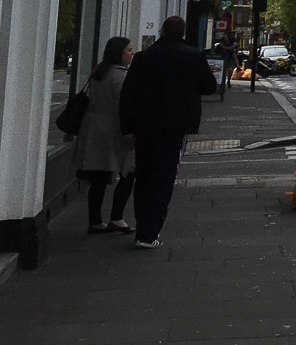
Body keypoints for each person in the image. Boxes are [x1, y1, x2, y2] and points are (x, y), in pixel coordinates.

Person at [119, 15, 218, 249]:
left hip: (145, 126)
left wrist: (127, 128)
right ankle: (150, 232)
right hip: (176, 126)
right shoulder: (193, 56)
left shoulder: (144, 57)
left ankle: (142, 226)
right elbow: (209, 86)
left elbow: (128, 95)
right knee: (164, 177)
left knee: (143, 176)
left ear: (162, 31)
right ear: (182, 33)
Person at [76, 36, 136, 234]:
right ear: (119, 53)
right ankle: (116, 217)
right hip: (113, 129)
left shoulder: (99, 72)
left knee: (98, 176)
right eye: (128, 50)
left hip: (94, 128)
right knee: (128, 172)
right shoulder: (120, 76)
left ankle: (95, 220)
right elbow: (124, 106)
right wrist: (129, 132)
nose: (131, 53)